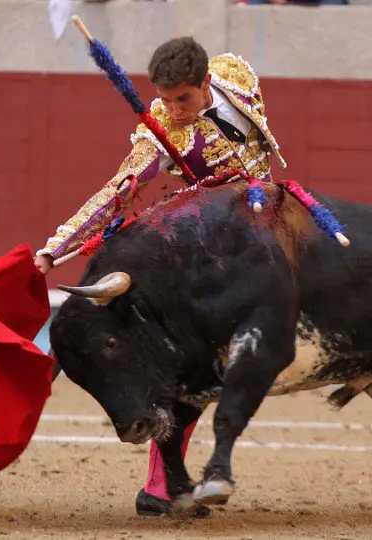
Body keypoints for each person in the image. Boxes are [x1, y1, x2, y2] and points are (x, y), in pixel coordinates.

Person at [34, 36, 287, 517]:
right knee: (190, 361)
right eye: (165, 99)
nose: (174, 109)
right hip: (208, 242)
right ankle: (158, 482)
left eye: (183, 99)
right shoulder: (159, 131)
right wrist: (54, 250)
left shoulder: (236, 75)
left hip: (268, 223)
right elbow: (116, 192)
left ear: (207, 81)